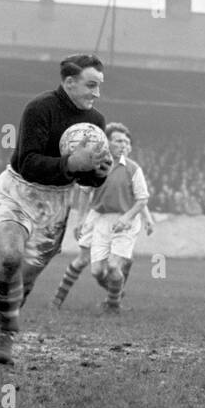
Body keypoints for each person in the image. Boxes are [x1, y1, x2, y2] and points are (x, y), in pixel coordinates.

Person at [0, 54, 113, 367]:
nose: (96, 93)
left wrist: (99, 171)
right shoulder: (39, 108)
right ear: (69, 82)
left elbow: (87, 179)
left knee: (23, 279)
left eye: (100, 86)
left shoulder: (97, 123)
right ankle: (6, 338)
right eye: (91, 85)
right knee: (11, 257)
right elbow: (29, 163)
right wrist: (70, 163)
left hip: (55, 205)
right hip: (18, 192)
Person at [51, 122, 150, 313]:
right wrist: (80, 220)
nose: (123, 145)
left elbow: (141, 198)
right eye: (118, 141)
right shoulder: (94, 166)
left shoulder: (132, 168)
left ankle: (113, 303)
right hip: (97, 216)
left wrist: (136, 218)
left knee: (111, 266)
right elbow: (84, 192)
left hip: (121, 219)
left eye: (125, 141)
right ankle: (61, 299)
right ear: (107, 143)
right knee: (90, 266)